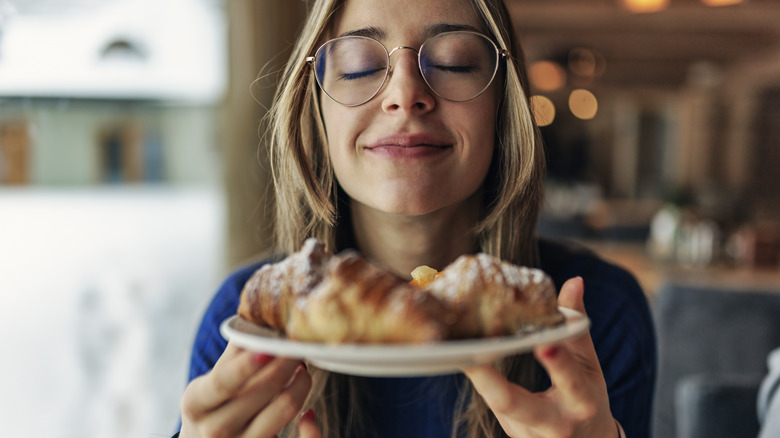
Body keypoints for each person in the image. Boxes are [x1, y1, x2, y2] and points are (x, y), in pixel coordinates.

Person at [176, 0, 656, 437]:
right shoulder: (245, 323)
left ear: (502, 104)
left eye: (453, 62)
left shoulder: (598, 317)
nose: (405, 94)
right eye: (360, 66)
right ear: (317, 107)